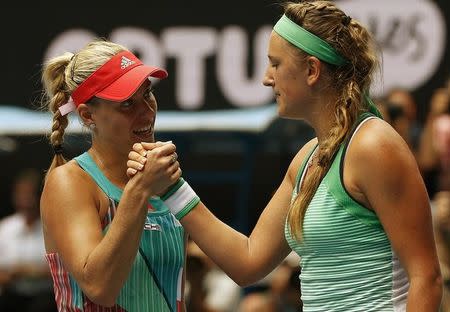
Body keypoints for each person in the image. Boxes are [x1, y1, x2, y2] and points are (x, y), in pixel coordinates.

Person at [128, 1, 442, 311]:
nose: (267, 77)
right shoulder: (307, 159)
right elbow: (248, 262)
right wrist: (171, 186)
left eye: (275, 64)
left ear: (311, 70)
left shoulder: (374, 145)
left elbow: (426, 278)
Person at [39, 38, 185, 311]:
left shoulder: (161, 179)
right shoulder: (69, 182)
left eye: (147, 94)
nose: (147, 111)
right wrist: (140, 188)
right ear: (87, 115)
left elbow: (175, 296)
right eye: (127, 104)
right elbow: (100, 288)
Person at [0, 168, 56, 312]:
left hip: (46, 299)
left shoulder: (52, 229)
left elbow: (66, 269)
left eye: (29, 195)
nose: (25, 200)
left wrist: (32, 272)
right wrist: (12, 274)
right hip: (12, 298)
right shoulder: (5, 228)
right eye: (20, 194)